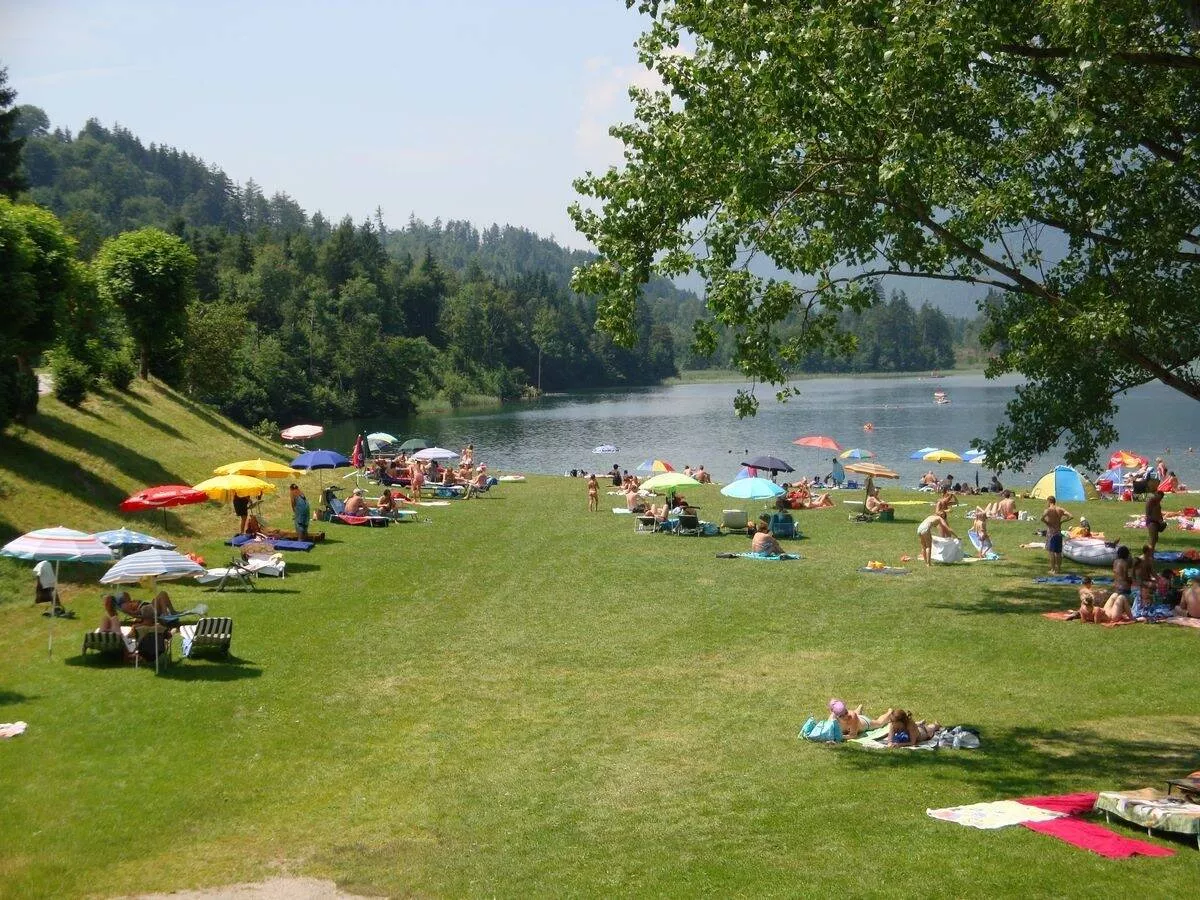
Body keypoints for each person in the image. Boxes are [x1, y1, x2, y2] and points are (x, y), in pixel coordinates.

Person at [1041, 495, 1072, 574]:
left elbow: (1042, 518)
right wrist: (1062, 521)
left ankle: (1053, 569)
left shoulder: (1048, 510)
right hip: (1058, 532)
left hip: (1051, 532)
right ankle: (1059, 569)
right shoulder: (1060, 509)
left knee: (1051, 552)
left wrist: (1047, 523)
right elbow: (1071, 516)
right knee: (1058, 552)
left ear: (1049, 501)